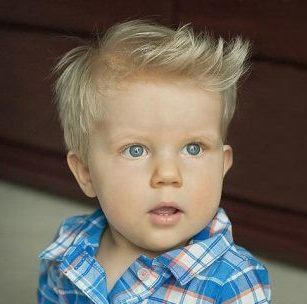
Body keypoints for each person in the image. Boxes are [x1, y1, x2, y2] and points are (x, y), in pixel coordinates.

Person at [38, 20, 271, 303]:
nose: (168, 174)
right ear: (86, 173)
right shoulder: (69, 247)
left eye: (194, 148)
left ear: (222, 166)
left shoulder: (233, 282)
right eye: (136, 150)